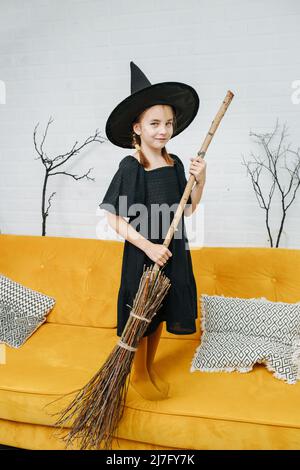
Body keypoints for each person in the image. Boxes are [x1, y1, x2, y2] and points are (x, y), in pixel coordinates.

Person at [99, 62, 206, 401]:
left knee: (161, 312)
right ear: (138, 127)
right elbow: (114, 219)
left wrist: (200, 180)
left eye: (168, 124)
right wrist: (148, 247)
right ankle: (137, 374)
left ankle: (148, 367)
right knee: (142, 314)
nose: (163, 130)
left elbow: (187, 209)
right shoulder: (132, 166)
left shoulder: (174, 163)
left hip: (173, 251)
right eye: (155, 123)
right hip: (144, 255)